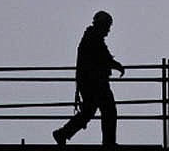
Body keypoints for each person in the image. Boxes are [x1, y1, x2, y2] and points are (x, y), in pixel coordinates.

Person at [52, 10, 125, 146]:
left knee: (90, 112)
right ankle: (108, 142)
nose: (108, 30)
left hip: (91, 82)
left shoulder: (91, 38)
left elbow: (101, 57)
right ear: (102, 25)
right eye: (107, 26)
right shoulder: (93, 39)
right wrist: (116, 65)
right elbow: (101, 58)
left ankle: (63, 133)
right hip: (95, 83)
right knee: (108, 110)